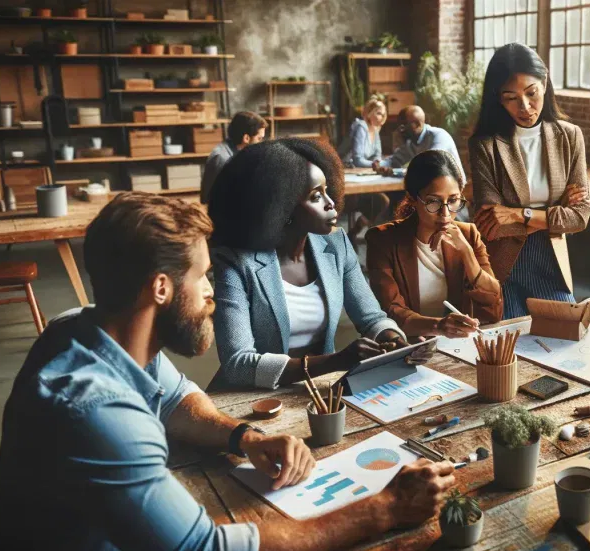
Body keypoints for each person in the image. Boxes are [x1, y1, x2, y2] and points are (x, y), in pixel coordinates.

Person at [0, 193, 455, 551]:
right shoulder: (97, 413)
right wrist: (384, 509)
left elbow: (176, 398)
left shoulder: (86, 328)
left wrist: (247, 438)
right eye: (202, 276)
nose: (212, 291)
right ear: (162, 288)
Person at [208, 138, 408, 390]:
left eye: (326, 189)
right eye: (316, 196)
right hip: (253, 396)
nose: (331, 202)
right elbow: (238, 364)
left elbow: (371, 319)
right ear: (282, 208)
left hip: (320, 389)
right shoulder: (237, 263)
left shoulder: (336, 246)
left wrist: (394, 341)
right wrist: (334, 361)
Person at [470, 43, 590, 318]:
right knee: (510, 349)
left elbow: (581, 217)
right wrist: (554, 213)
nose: (524, 107)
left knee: (565, 339)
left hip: (552, 263)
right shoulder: (485, 145)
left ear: (545, 83)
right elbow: (491, 228)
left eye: (531, 93)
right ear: (498, 99)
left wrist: (516, 214)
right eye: (510, 97)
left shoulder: (570, 137)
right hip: (503, 268)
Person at [366, 149, 502, 338]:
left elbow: (494, 311)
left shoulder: (468, 235)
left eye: (453, 200)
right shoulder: (383, 241)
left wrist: (466, 253)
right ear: (413, 199)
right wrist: (439, 327)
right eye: (433, 202)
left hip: (458, 348)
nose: (445, 214)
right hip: (409, 347)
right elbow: (390, 313)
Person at [340, 98, 391, 237]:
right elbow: (357, 159)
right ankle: (356, 233)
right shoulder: (361, 127)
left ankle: (354, 233)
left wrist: (376, 163)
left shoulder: (375, 129)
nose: (382, 116)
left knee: (385, 201)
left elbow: (377, 155)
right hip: (347, 175)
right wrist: (376, 165)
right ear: (369, 113)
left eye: (383, 113)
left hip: (360, 174)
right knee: (382, 202)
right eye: (379, 113)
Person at [373, 105, 464, 179]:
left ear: (417, 124)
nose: (401, 131)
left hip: (452, 188)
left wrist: (395, 171)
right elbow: (394, 160)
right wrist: (379, 164)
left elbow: (428, 165)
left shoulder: (439, 136)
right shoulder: (411, 143)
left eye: (403, 127)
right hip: (432, 188)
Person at [200, 110, 267, 203]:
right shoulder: (223, 160)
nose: (262, 143)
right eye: (259, 138)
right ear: (246, 138)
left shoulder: (236, 149)